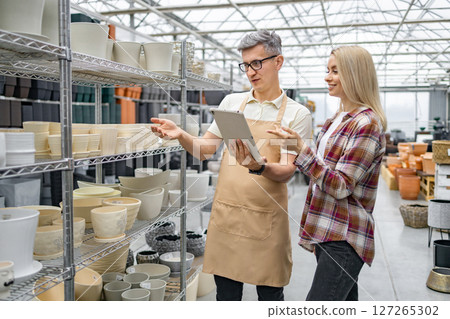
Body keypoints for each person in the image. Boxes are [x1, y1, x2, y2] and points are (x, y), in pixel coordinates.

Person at [151, 30, 312, 301]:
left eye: (257, 63)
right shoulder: (232, 103)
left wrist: (259, 167)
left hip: (266, 221)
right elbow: (205, 149)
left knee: (270, 293)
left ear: (278, 62)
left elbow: (286, 171)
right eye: (246, 65)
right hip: (228, 215)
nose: (251, 72)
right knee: (226, 295)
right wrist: (181, 135)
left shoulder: (297, 114)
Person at [269, 46, 387, 301]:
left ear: (355, 75)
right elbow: (320, 168)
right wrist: (293, 144)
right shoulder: (336, 119)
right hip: (327, 230)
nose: (327, 77)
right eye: (327, 70)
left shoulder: (366, 124)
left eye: (336, 71)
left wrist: (301, 149)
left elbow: (341, 185)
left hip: (344, 236)